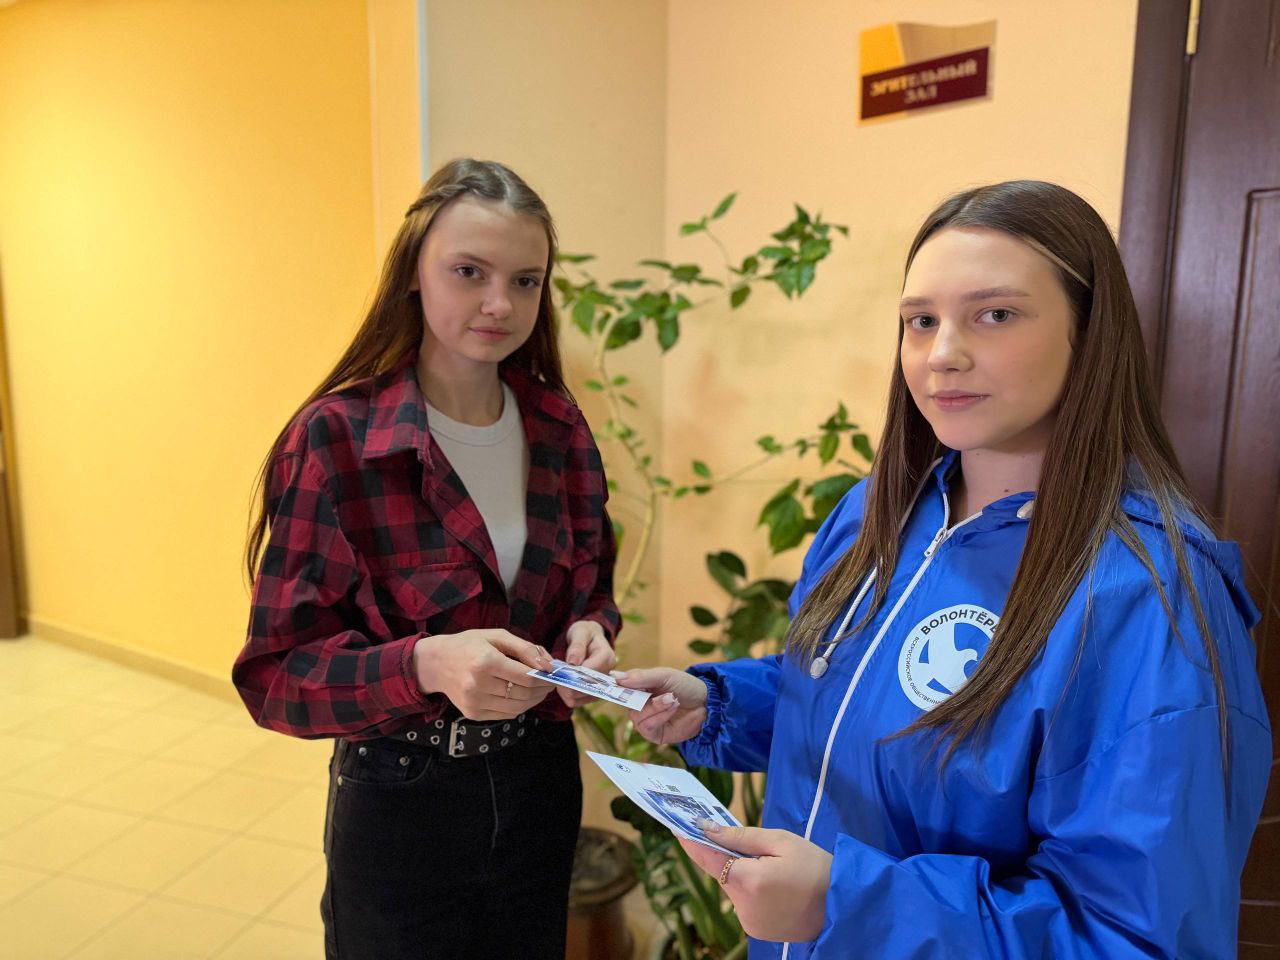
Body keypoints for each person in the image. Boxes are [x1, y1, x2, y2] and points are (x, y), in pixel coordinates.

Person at [619, 180, 1271, 959]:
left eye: (995, 315)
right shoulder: (875, 511)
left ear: (1089, 331)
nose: (942, 354)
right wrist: (720, 705)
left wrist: (846, 904)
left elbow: (1134, 937)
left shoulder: (1149, 597)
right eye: (920, 320)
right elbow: (857, 702)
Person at [232, 158, 620, 960]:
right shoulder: (337, 440)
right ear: (414, 271)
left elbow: (591, 587)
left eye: (525, 281)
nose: (499, 304)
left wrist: (590, 632)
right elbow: (275, 677)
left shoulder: (559, 426)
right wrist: (424, 665)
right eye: (469, 272)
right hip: (401, 799)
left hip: (540, 781)